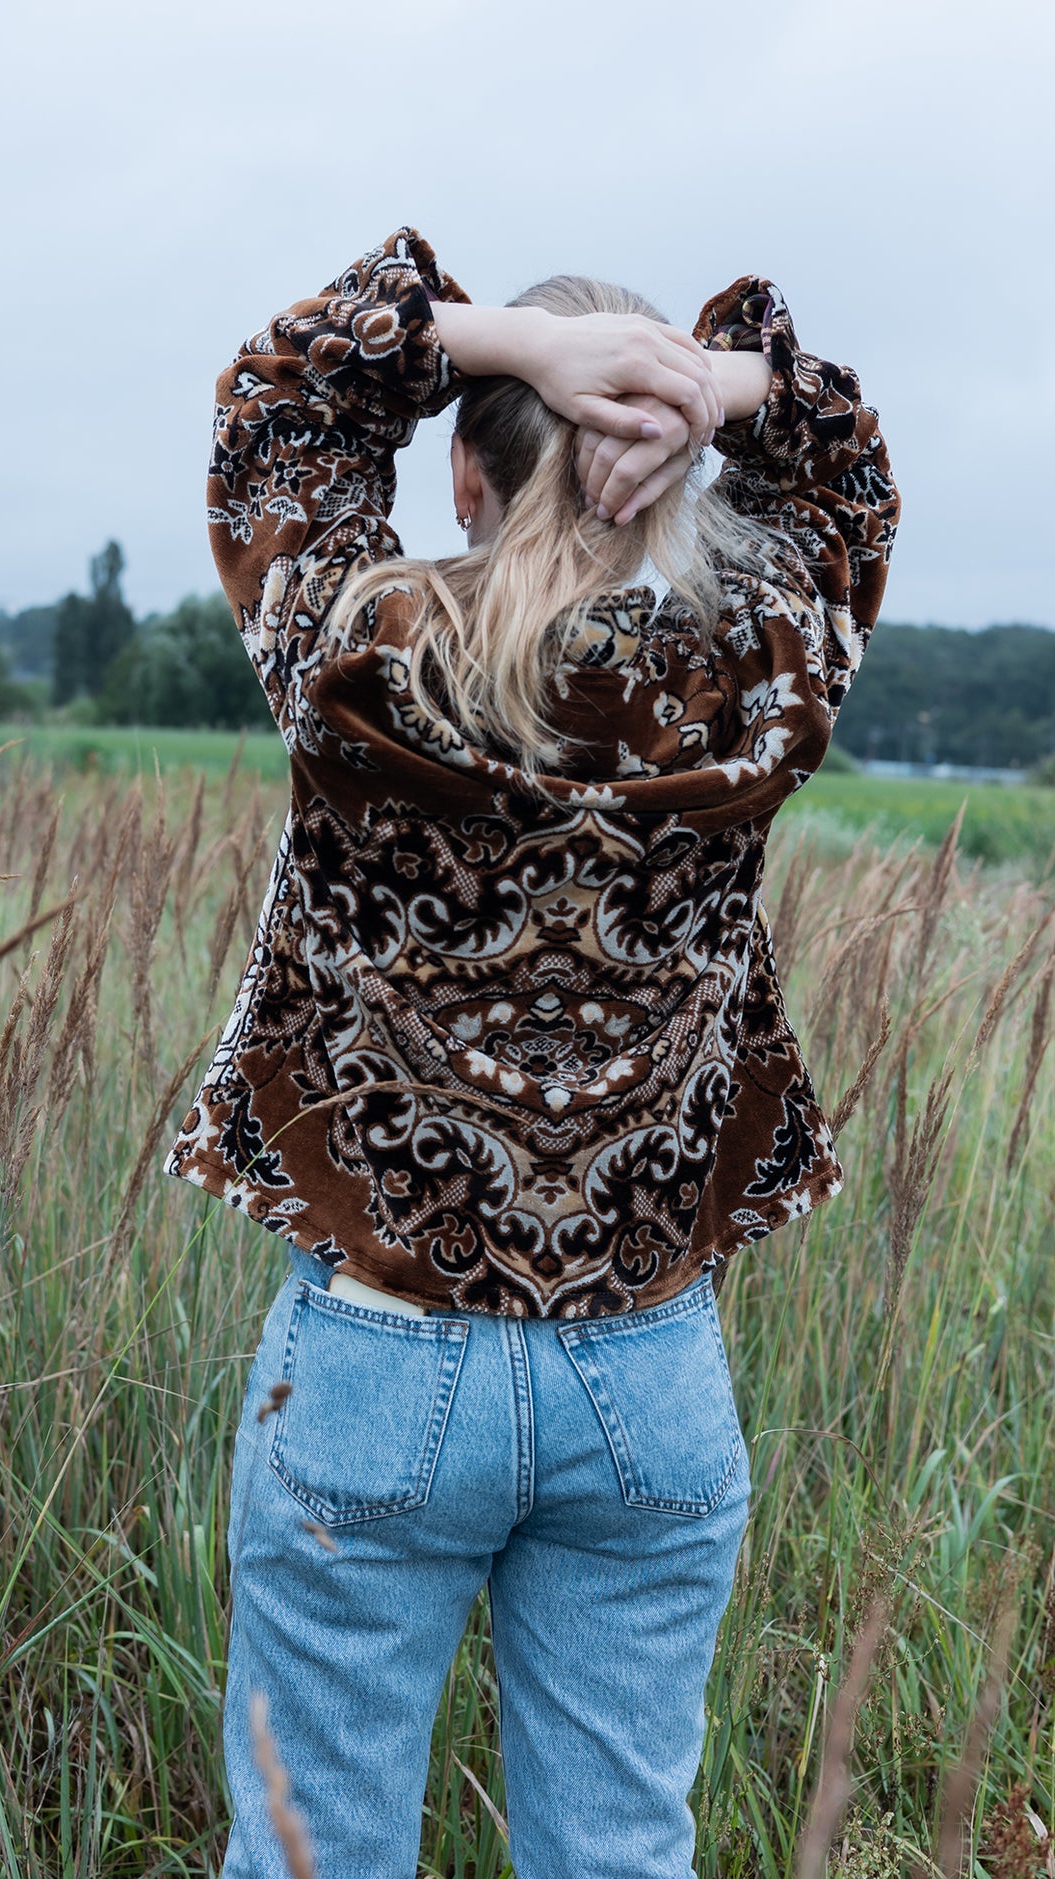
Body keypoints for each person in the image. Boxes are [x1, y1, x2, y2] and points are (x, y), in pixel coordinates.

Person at [163, 229, 899, 1878]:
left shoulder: (362, 651)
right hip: (646, 1372)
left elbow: (281, 400)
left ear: (464, 479)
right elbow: (844, 464)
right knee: (621, 1854)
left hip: (376, 1359)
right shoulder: (761, 669)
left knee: (312, 1855)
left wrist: (505, 341)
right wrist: (705, 385)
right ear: (675, 474)